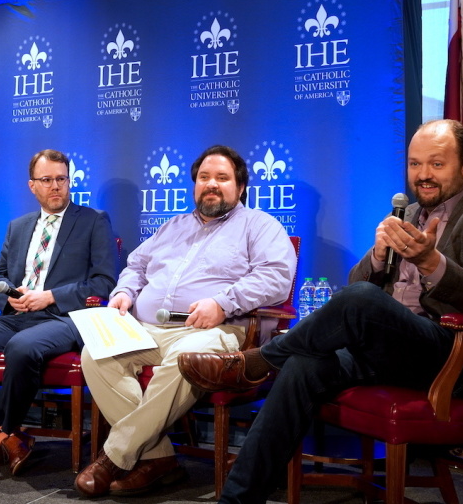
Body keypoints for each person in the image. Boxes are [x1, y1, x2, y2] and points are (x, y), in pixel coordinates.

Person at [177, 119, 463, 504]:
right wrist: (380, 255)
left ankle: (259, 361)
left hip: (457, 355)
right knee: (304, 366)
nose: (423, 175)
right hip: (397, 350)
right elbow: (357, 283)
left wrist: (430, 261)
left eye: (436, 164)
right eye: (415, 165)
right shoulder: (409, 213)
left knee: (362, 299)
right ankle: (237, 499)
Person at [74, 145, 297, 498]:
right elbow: (135, 266)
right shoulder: (172, 226)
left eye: (222, 178)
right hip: (148, 329)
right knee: (96, 353)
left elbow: (276, 278)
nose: (212, 184)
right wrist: (125, 293)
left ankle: (114, 456)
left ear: (240, 188)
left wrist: (223, 304)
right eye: (204, 178)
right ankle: (159, 458)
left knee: (185, 359)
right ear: (194, 186)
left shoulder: (260, 226)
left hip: (216, 331)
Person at [0, 149, 117, 476]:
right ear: (33, 186)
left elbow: (103, 283)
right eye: (47, 180)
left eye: (62, 179)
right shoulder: (19, 226)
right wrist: (10, 296)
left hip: (66, 319)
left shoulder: (92, 221)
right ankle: (2, 434)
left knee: (22, 347)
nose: (56, 186)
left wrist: (49, 297)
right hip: (17, 316)